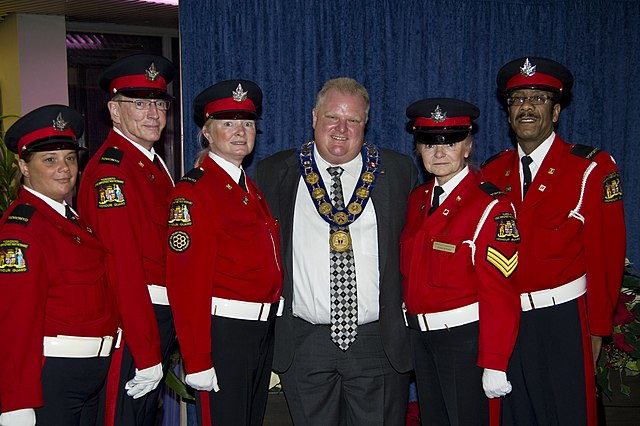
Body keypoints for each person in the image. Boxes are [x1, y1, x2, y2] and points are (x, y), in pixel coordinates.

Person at [254, 77, 417, 425]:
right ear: (314, 117)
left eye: (353, 120)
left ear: (365, 124)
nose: (342, 129)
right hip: (304, 342)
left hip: (378, 341)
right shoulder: (275, 173)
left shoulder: (397, 171)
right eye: (332, 117)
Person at [481, 57, 626, 425]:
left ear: (557, 111)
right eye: (517, 100)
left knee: (568, 415)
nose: (526, 107)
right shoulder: (491, 172)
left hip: (563, 319)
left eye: (539, 98)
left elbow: (606, 254)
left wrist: (598, 330)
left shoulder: (590, 168)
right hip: (507, 321)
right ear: (508, 112)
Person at [165, 79, 283, 426]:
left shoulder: (248, 189)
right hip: (225, 333)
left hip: (257, 331)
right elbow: (185, 282)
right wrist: (197, 358)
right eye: (228, 123)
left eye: (247, 123)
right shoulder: (195, 191)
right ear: (206, 131)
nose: (240, 132)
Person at [400, 98, 521, 425]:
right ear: (418, 149)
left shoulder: (490, 206)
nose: (439, 152)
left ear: (467, 146)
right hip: (422, 342)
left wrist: (495, 360)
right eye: (429, 143)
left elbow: (501, 292)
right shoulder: (417, 201)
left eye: (450, 142)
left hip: (465, 342)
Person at [0, 105, 119, 425]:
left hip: (88, 374)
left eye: (69, 157)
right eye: (49, 160)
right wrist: (16, 401)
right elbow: (14, 321)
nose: (64, 168)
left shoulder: (71, 221)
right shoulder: (21, 230)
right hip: (53, 376)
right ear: (24, 166)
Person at [76, 53, 176, 426]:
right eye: (139, 103)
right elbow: (122, 266)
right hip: (134, 322)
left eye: (158, 102)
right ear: (115, 112)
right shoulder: (111, 172)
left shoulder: (148, 163)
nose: (152, 113)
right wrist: (147, 350)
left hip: (155, 317)